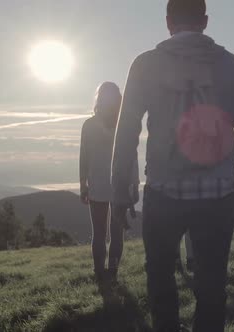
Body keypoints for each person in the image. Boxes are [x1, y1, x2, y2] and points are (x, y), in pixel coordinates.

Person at [111, 0, 234, 330]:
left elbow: (126, 134)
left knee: (161, 280)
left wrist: (119, 192)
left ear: (168, 22)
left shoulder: (144, 65)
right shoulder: (233, 66)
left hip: (163, 192)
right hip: (218, 195)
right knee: (212, 286)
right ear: (205, 21)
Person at [79, 82, 139, 286]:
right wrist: (135, 184)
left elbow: (83, 158)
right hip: (120, 186)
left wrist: (82, 185)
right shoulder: (125, 124)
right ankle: (112, 272)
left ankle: (99, 273)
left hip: (97, 185)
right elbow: (132, 157)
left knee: (98, 233)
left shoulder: (88, 125)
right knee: (116, 234)